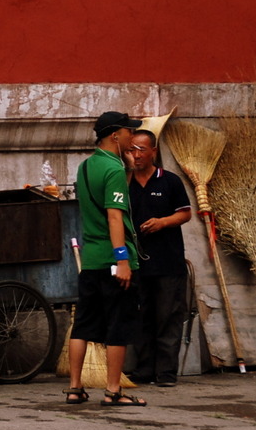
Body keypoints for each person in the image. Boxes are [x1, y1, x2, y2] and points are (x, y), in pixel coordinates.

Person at [65, 111, 147, 407]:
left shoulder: (85, 166)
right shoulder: (113, 169)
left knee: (84, 325)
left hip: (91, 259)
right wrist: (123, 260)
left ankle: (75, 387)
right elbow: (114, 217)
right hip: (114, 259)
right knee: (118, 325)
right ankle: (113, 390)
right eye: (128, 131)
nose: (131, 137)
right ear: (115, 135)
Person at [125, 129, 192, 386]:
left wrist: (163, 222)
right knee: (142, 317)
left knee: (168, 316)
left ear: (153, 151)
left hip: (168, 262)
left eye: (141, 150)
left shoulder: (169, 181)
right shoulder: (124, 182)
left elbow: (185, 213)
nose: (136, 155)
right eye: (131, 150)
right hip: (136, 262)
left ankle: (166, 372)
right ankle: (144, 370)